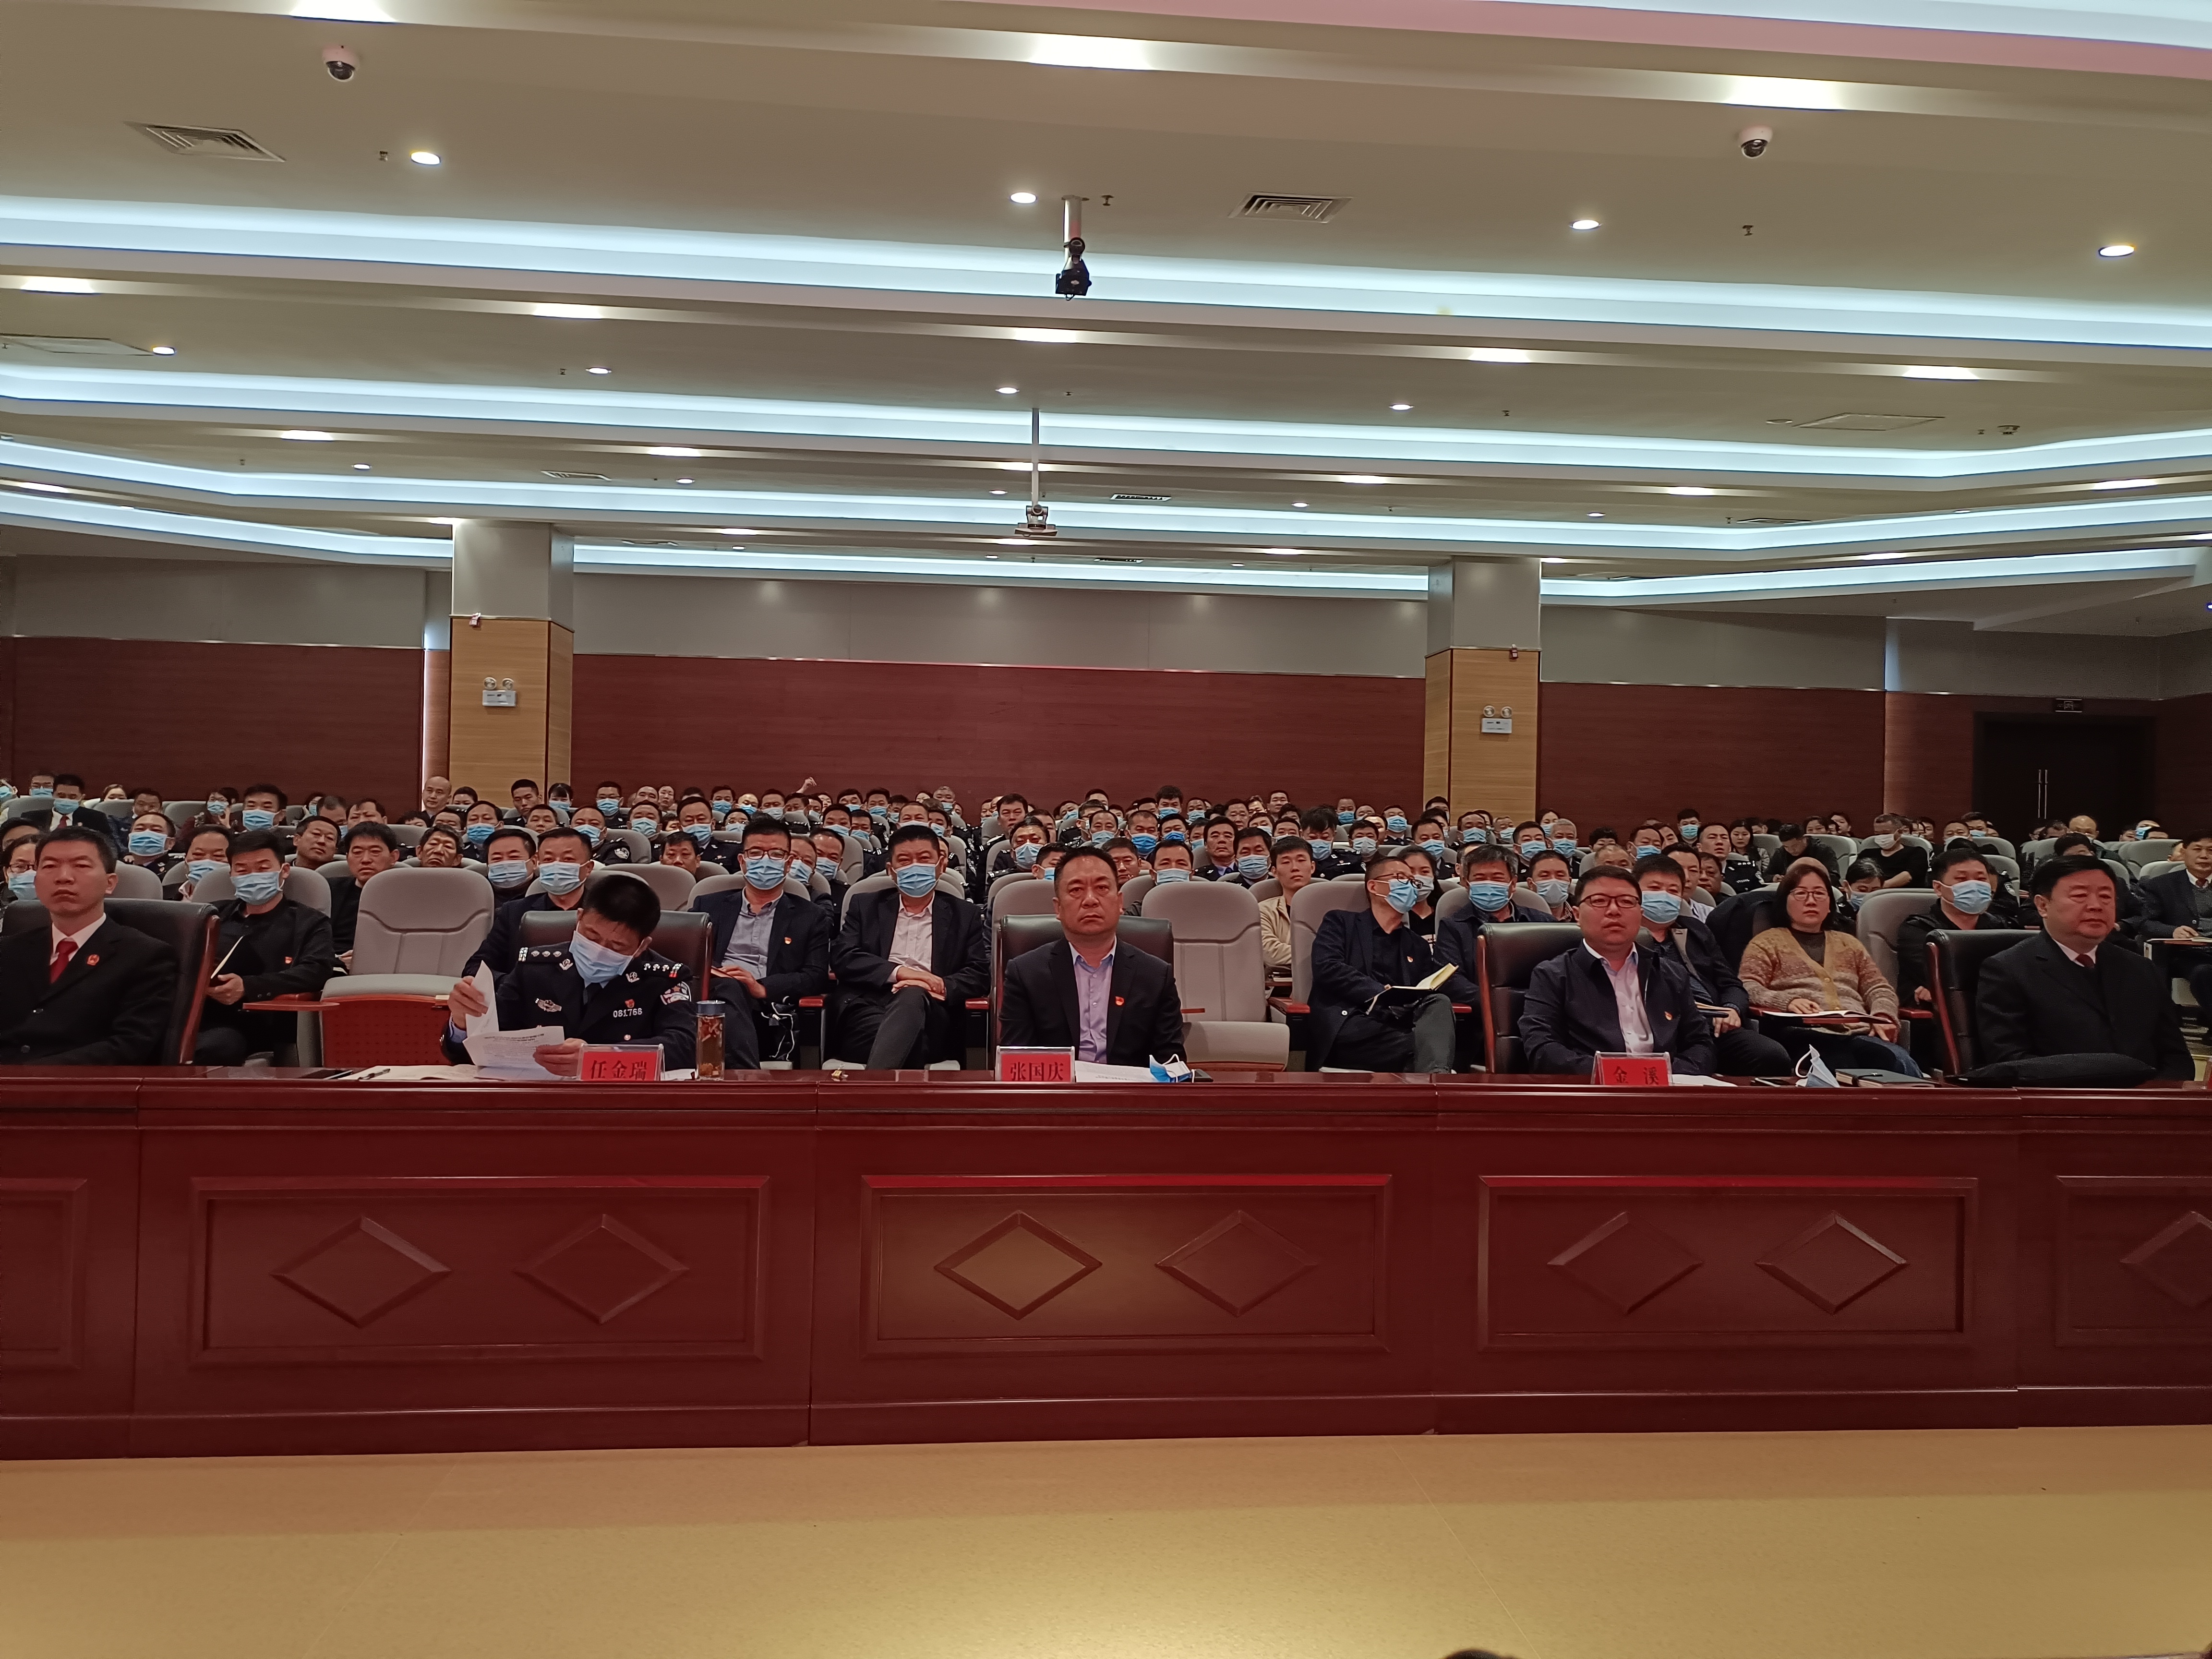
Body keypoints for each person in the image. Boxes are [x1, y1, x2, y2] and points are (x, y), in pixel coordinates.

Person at [444, 871, 696, 1075]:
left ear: (642, 946)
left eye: (617, 946)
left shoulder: (664, 979)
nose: (599, 951)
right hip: (538, 1096)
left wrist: (600, 1057)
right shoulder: (535, 967)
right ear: (579, 918)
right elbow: (476, 1051)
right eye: (591, 936)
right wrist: (463, 1022)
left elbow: (686, 1046)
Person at [1975, 854, 2193, 1080]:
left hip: (2148, 1097)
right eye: (2079, 896)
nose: (2096, 906)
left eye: (2106, 897)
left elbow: (2176, 1056)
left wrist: (2156, 1094)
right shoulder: (2007, 970)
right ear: (2043, 905)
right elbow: (2010, 1062)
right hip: (2061, 1097)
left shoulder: (2141, 967)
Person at [0, 826, 180, 1064]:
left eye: (81, 866)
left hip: (82, 1082)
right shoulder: (8, 950)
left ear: (110, 883)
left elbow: (130, 1044)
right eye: (50, 866)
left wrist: (29, 1073)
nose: (64, 877)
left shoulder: (146, 956)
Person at [1516, 865, 1714, 1077]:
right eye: (1599, 901)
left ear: (1641, 914)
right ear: (1577, 915)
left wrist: (1665, 1075)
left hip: (1667, 1087)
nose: (1614, 911)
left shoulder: (1671, 974)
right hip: (1592, 1090)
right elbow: (1542, 1050)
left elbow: (1701, 1044)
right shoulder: (1552, 975)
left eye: (1627, 902)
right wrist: (1618, 1075)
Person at [998, 848, 1184, 1065]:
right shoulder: (1025, 973)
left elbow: (1171, 1061)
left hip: (1131, 1087)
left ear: (1120, 902)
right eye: (1076, 890)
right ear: (1058, 908)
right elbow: (1017, 1061)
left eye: (1102, 888)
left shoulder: (1156, 975)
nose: (1090, 900)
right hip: (1057, 1086)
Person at [829, 823, 990, 1069]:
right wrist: (904, 973)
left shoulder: (964, 914)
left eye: (924, 859)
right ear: (891, 871)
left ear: (941, 865)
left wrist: (938, 984)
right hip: (868, 1008)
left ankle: (873, 1087)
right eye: (904, 861)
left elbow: (979, 974)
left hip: (933, 1011)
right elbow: (844, 956)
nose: (915, 866)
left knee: (913, 995)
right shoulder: (866, 906)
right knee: (913, 1041)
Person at [1738, 863, 1921, 1076]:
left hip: (1859, 1032)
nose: (1811, 901)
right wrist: (1787, 1002)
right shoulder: (1767, 943)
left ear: (1829, 904)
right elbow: (1748, 986)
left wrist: (1884, 1016)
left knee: (1900, 1063)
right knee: (1845, 1069)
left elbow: (1878, 987)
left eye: (1819, 894)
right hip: (1804, 1033)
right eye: (1801, 894)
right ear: (1785, 901)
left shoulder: (1849, 943)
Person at [693, 816, 830, 1069]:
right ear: (742, 861)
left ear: (788, 864)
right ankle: (747, 1076)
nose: (765, 861)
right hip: (708, 997)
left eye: (776, 854)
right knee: (726, 987)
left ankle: (740, 1074)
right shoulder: (708, 905)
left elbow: (816, 976)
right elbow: (688, 958)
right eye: (756, 853)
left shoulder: (811, 916)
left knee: (730, 990)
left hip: (765, 1007)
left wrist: (761, 987)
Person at [195, 829, 339, 1063]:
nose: (252, 876)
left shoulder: (309, 922)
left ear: (284, 871)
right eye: (242, 870)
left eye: (263, 868)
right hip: (194, 1014)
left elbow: (317, 970)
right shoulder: (211, 915)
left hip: (256, 1021)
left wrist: (248, 986)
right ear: (231, 875)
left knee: (212, 1049)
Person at [1633, 857, 1789, 1074]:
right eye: (1655, 888)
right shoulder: (1624, 936)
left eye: (1673, 891)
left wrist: (1732, 1009)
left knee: (1771, 1056)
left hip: (1713, 1024)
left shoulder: (1696, 930)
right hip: (1664, 1025)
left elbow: (1731, 983)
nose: (1665, 896)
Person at [1309, 849, 1455, 1072]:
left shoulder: (1417, 944)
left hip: (1398, 1026)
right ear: (1374, 887)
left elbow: (1421, 992)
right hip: (1351, 1023)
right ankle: (1438, 1080)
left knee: (1438, 1002)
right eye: (1400, 878)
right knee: (1429, 1048)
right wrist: (1380, 992)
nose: (1409, 886)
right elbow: (1327, 968)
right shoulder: (1341, 923)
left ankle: (1435, 1078)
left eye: (1413, 882)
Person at [1896, 845, 2014, 1014]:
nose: (1974, 886)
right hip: (1940, 1018)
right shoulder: (1919, 929)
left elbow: (2019, 975)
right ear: (1938, 888)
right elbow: (1947, 979)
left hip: (1999, 1012)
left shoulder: (2000, 926)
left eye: (1981, 879)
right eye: (1962, 879)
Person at [464, 825, 595, 976]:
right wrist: (512, 985)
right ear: (539, 863)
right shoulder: (514, 912)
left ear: (588, 868)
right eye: (548, 859)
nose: (557, 865)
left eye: (568, 859)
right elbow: (476, 966)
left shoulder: (608, 912)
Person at [2135, 829, 2212, 1020]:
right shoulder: (2161, 885)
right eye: (2198, 849)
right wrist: (2173, 931)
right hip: (2187, 954)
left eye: (2211, 850)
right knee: (2204, 973)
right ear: (2185, 852)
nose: (2204, 856)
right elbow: (2145, 923)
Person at [323, 821, 400, 961]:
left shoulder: (407, 895)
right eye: (357, 852)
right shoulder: (328, 889)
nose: (365, 860)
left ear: (393, 857)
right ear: (348, 858)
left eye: (375, 852)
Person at [1257, 835, 1316, 976]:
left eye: (1301, 860)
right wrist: (1323, 956)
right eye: (1286, 862)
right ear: (1274, 872)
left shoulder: (1331, 908)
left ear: (1312, 867)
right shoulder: (1263, 910)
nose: (1295, 868)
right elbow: (1270, 953)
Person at [1863, 814, 1928, 888]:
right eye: (1878, 834)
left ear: (1899, 832)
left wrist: (1878, 888)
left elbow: (1908, 876)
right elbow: (1858, 875)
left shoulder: (1917, 853)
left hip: (1902, 893)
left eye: (1886, 833)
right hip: (1868, 892)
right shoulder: (1867, 854)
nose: (1882, 837)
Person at [121, 811, 178, 878]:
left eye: (156, 830)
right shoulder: (117, 867)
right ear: (129, 838)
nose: (146, 834)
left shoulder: (176, 871)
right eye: (140, 829)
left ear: (170, 843)